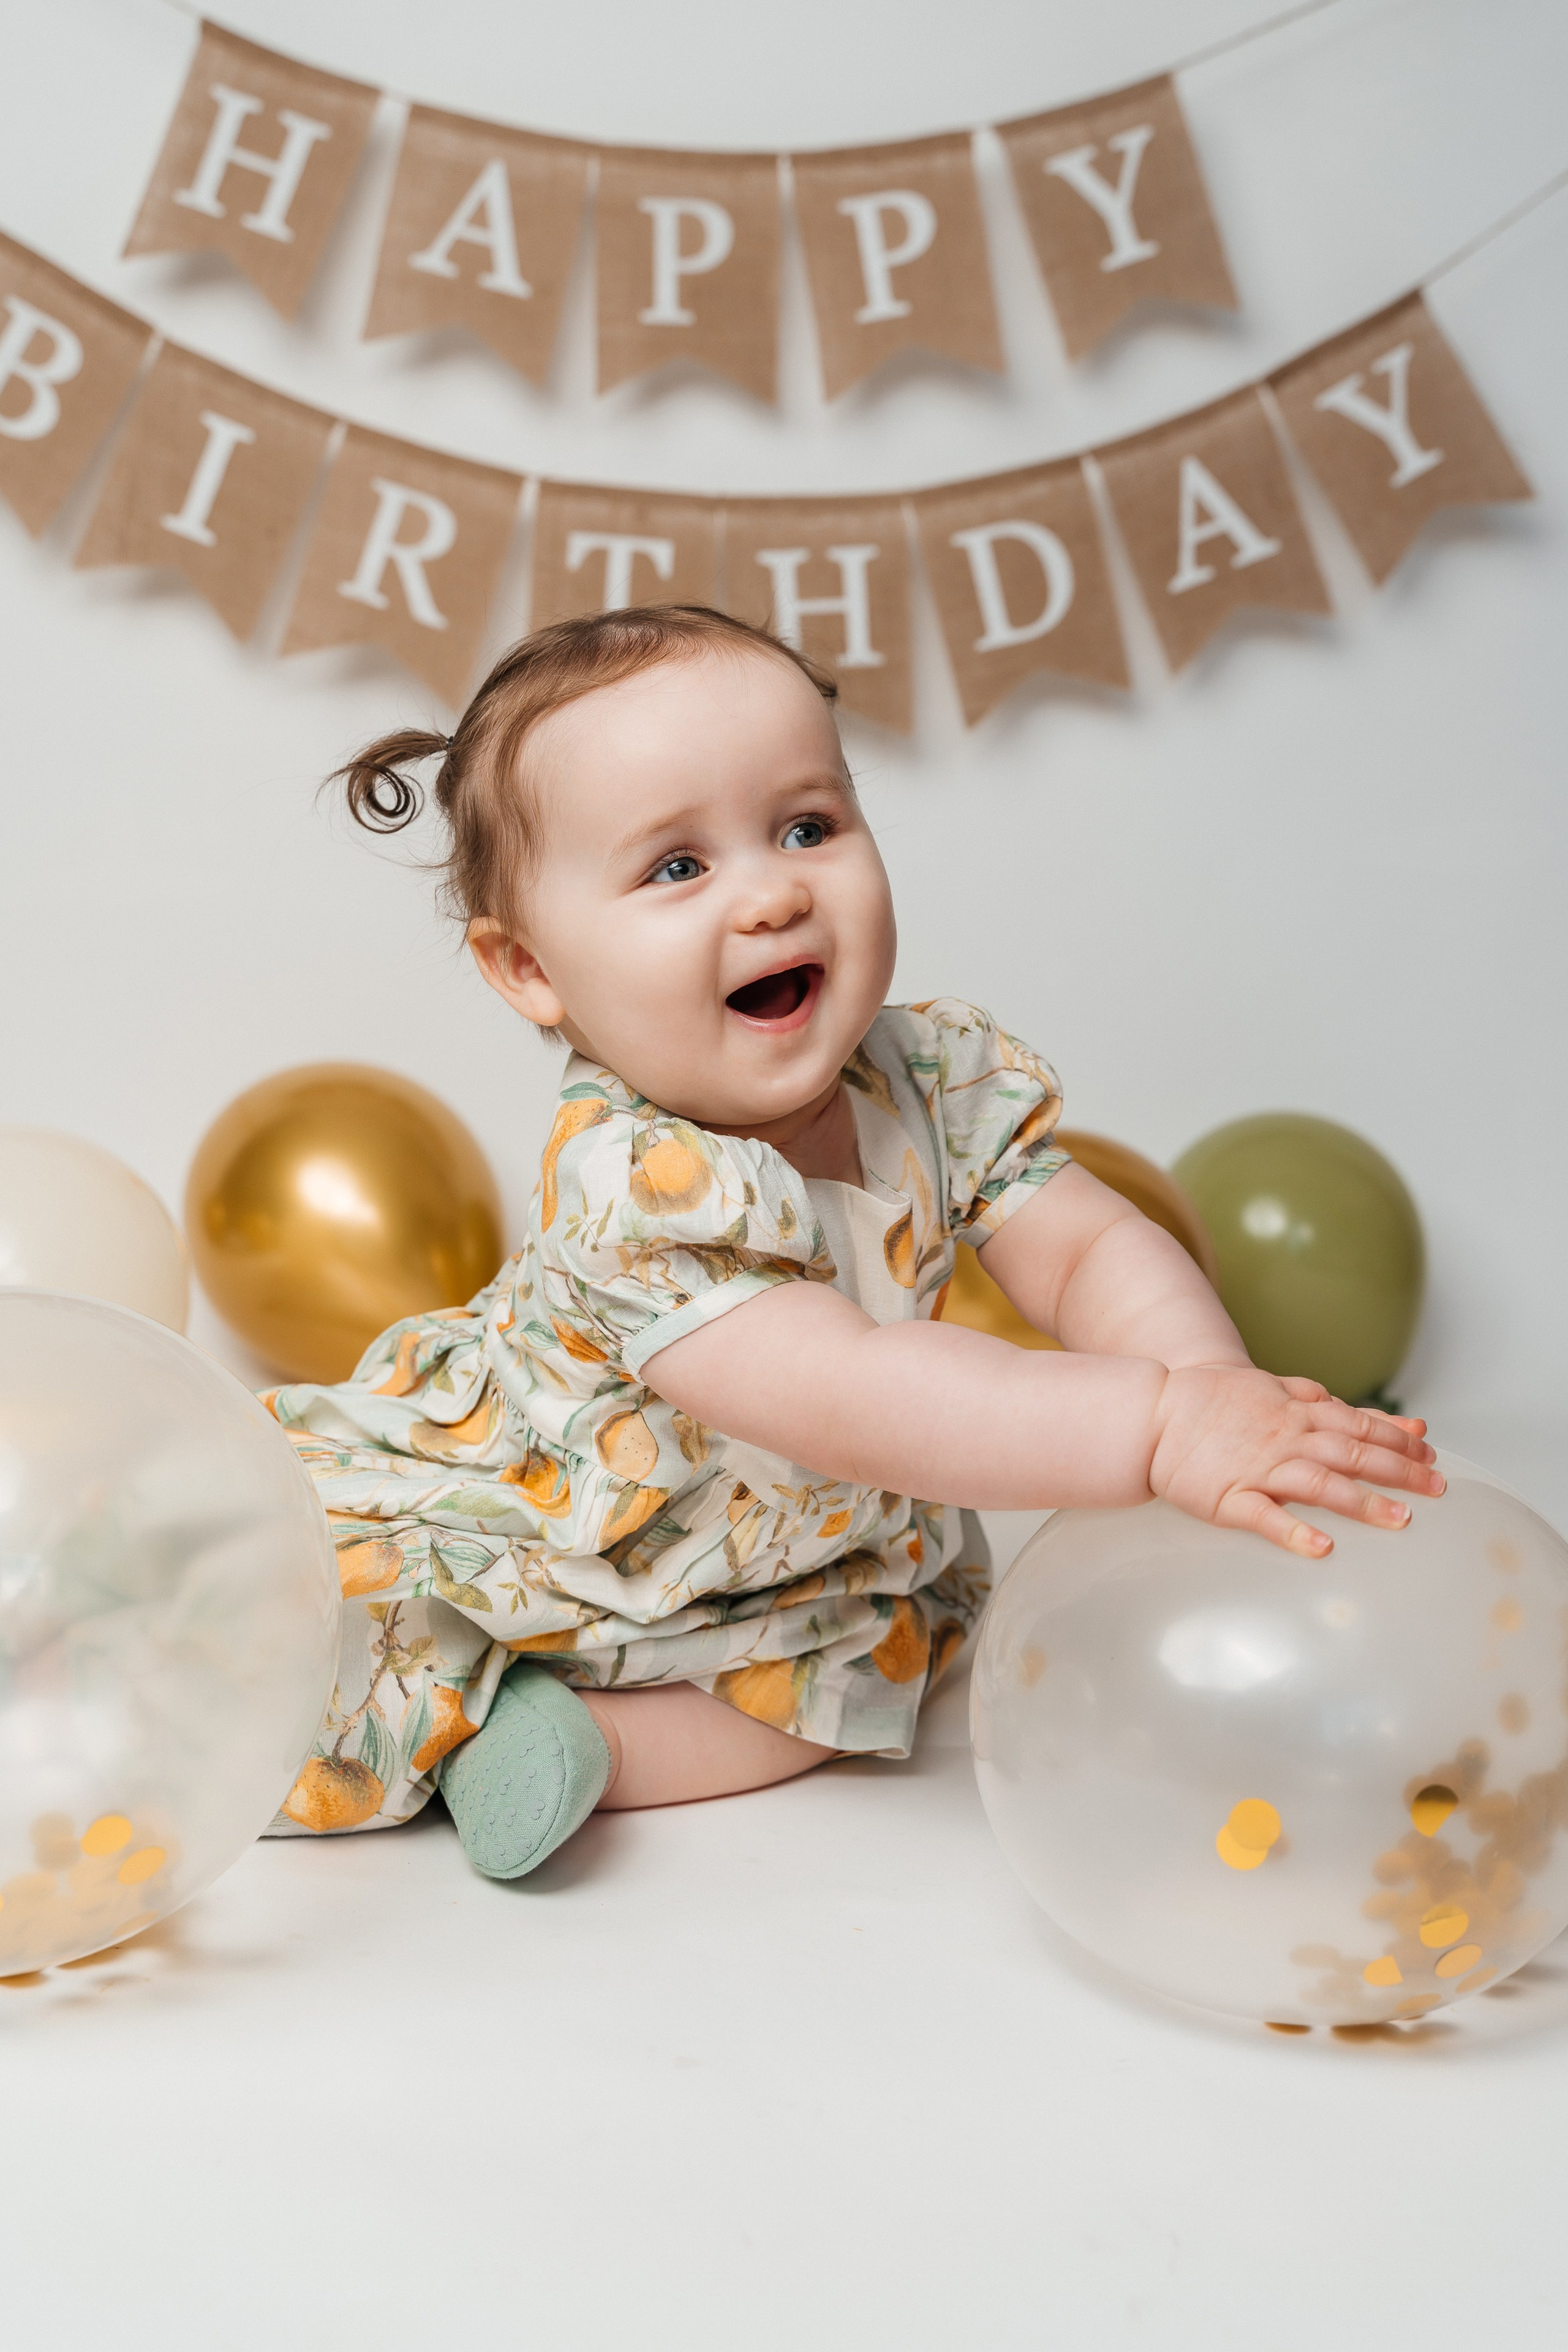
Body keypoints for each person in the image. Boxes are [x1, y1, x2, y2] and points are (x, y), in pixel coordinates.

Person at [266, 604, 1441, 1879]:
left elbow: (1085, 1250)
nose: (774, 892)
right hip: (563, 1514)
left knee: (875, 1672)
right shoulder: (637, 1184)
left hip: (803, 1555)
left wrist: (1204, 1379)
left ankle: (584, 1742)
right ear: (529, 969)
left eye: (807, 827)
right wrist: (1153, 1428)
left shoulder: (928, 1074)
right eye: (677, 867)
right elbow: (849, 1391)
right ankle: (471, 1702)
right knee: (341, 1638)